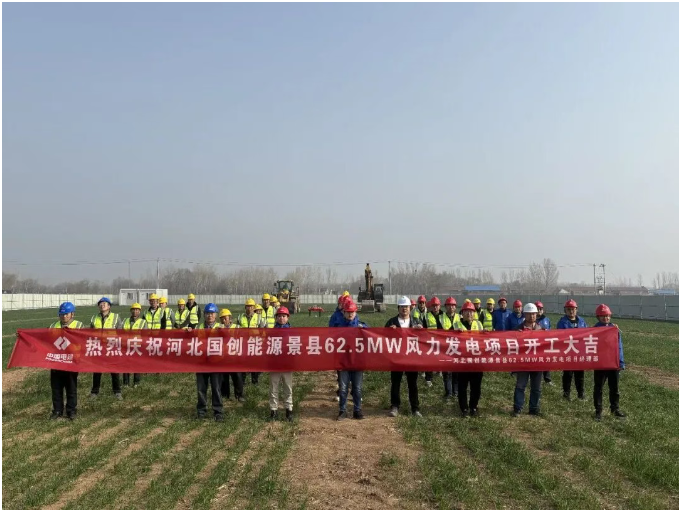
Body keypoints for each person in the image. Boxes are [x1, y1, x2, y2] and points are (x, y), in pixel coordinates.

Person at [386, 296, 423, 418]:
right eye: (402, 307)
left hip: (412, 357)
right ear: (398, 308)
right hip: (397, 358)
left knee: (413, 383)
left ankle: (415, 408)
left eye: (406, 307)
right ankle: (395, 406)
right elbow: (383, 337)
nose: (404, 309)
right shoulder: (392, 322)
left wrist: (420, 330)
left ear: (410, 308)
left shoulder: (416, 321)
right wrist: (389, 331)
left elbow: (424, 338)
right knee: (395, 383)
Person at [48, 302, 83, 420]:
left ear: (72, 314)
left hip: (71, 362)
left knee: (71, 388)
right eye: (62, 314)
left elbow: (83, 341)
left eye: (66, 314)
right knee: (56, 388)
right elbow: (44, 339)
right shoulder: (53, 326)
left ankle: (71, 410)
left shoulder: (79, 325)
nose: (64, 316)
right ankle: (57, 410)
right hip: (56, 361)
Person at [593, 304, 626, 421]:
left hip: (613, 363)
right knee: (598, 388)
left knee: (614, 388)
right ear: (598, 317)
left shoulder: (614, 329)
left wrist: (621, 362)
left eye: (607, 316)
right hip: (601, 364)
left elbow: (619, 346)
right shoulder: (594, 330)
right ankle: (598, 411)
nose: (605, 318)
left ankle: (615, 409)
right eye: (602, 316)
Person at [512, 303, 545, 417]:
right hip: (523, 363)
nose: (532, 316)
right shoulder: (518, 329)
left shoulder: (542, 330)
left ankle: (534, 408)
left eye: (534, 314)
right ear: (524, 315)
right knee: (520, 385)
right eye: (529, 314)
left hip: (537, 362)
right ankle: (518, 407)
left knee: (536, 387)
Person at [453, 301, 484, 417]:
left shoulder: (479, 324)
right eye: (466, 311)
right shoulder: (456, 325)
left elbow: (484, 340)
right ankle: (464, 408)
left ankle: (473, 407)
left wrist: (486, 333)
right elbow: (446, 338)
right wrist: (454, 333)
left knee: (476, 387)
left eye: (471, 312)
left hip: (476, 361)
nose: (469, 314)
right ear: (462, 313)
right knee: (462, 386)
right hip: (462, 361)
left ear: (474, 313)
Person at [337, 301, 367, 420]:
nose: (350, 314)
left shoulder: (362, 326)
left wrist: (364, 329)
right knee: (343, 389)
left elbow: (372, 336)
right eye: (348, 312)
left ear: (356, 312)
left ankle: (357, 410)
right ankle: (342, 410)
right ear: (344, 313)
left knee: (357, 388)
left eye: (352, 312)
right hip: (344, 362)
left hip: (357, 362)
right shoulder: (339, 327)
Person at [89, 297, 123, 400]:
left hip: (111, 348)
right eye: (100, 303)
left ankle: (117, 392)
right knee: (97, 371)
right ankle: (94, 392)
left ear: (109, 306)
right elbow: (90, 333)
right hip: (99, 348)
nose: (102, 305)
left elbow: (120, 333)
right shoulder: (94, 318)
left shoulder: (116, 317)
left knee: (114, 370)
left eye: (104, 303)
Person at [195, 303, 224, 421]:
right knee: (201, 388)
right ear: (204, 315)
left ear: (216, 315)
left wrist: (224, 332)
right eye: (207, 313)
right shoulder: (199, 327)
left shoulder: (221, 327)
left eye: (212, 313)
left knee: (216, 387)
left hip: (216, 363)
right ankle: (201, 411)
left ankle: (218, 411)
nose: (209, 316)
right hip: (201, 362)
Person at [558, 299, 589, 400]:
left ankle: (581, 394)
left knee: (580, 374)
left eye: (573, 309)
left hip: (579, 352)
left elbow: (588, 333)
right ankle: (566, 394)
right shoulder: (562, 322)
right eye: (569, 309)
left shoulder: (582, 321)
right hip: (568, 351)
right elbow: (559, 336)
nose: (571, 311)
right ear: (565, 310)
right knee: (568, 374)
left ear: (576, 310)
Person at [269, 307, 294, 422]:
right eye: (279, 316)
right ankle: (273, 410)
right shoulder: (271, 332)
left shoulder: (292, 332)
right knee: (273, 388)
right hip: (274, 364)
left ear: (288, 317)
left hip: (287, 364)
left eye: (284, 316)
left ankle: (289, 409)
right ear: (276, 318)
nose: (281, 318)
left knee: (288, 388)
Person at [219, 309, 244, 402]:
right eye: (222, 319)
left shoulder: (237, 327)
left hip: (234, 356)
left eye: (225, 318)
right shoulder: (218, 328)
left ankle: (239, 395)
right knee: (223, 377)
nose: (224, 320)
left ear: (230, 318)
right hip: (223, 356)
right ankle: (225, 395)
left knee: (237, 376)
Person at [238, 298, 264, 385]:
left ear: (254, 308)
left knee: (254, 363)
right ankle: (242, 381)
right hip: (243, 343)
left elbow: (263, 331)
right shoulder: (240, 317)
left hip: (254, 343)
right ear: (245, 307)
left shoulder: (259, 318)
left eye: (251, 306)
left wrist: (261, 341)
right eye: (248, 306)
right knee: (243, 363)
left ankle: (254, 381)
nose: (249, 308)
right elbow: (236, 330)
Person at [422, 296, 445, 388]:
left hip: (442, 341)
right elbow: (423, 329)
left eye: (437, 305)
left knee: (441, 358)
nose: (435, 307)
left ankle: (439, 371)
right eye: (433, 305)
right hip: (430, 342)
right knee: (429, 361)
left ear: (440, 306)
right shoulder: (426, 316)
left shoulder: (444, 315)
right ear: (431, 306)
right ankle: (428, 379)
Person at [122, 303, 147, 387]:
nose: (135, 311)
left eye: (137, 310)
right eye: (133, 309)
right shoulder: (125, 321)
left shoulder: (143, 322)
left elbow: (145, 336)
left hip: (137, 346)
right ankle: (126, 383)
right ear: (130, 311)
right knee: (125, 365)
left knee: (137, 365)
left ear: (140, 311)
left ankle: (136, 383)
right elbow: (120, 332)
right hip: (126, 346)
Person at [441, 297, 460, 399]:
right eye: (449, 305)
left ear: (455, 307)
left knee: (456, 371)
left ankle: (456, 391)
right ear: (445, 307)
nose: (451, 307)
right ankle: (448, 392)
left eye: (453, 305)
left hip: (457, 347)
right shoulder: (441, 317)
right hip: (445, 347)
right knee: (447, 372)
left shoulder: (460, 317)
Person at [535, 301, 552, 385]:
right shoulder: (531, 319)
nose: (539, 311)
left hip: (544, 343)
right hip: (534, 343)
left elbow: (550, 331)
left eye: (540, 309)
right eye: (537, 309)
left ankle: (547, 379)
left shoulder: (546, 319)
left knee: (546, 360)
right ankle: (535, 378)